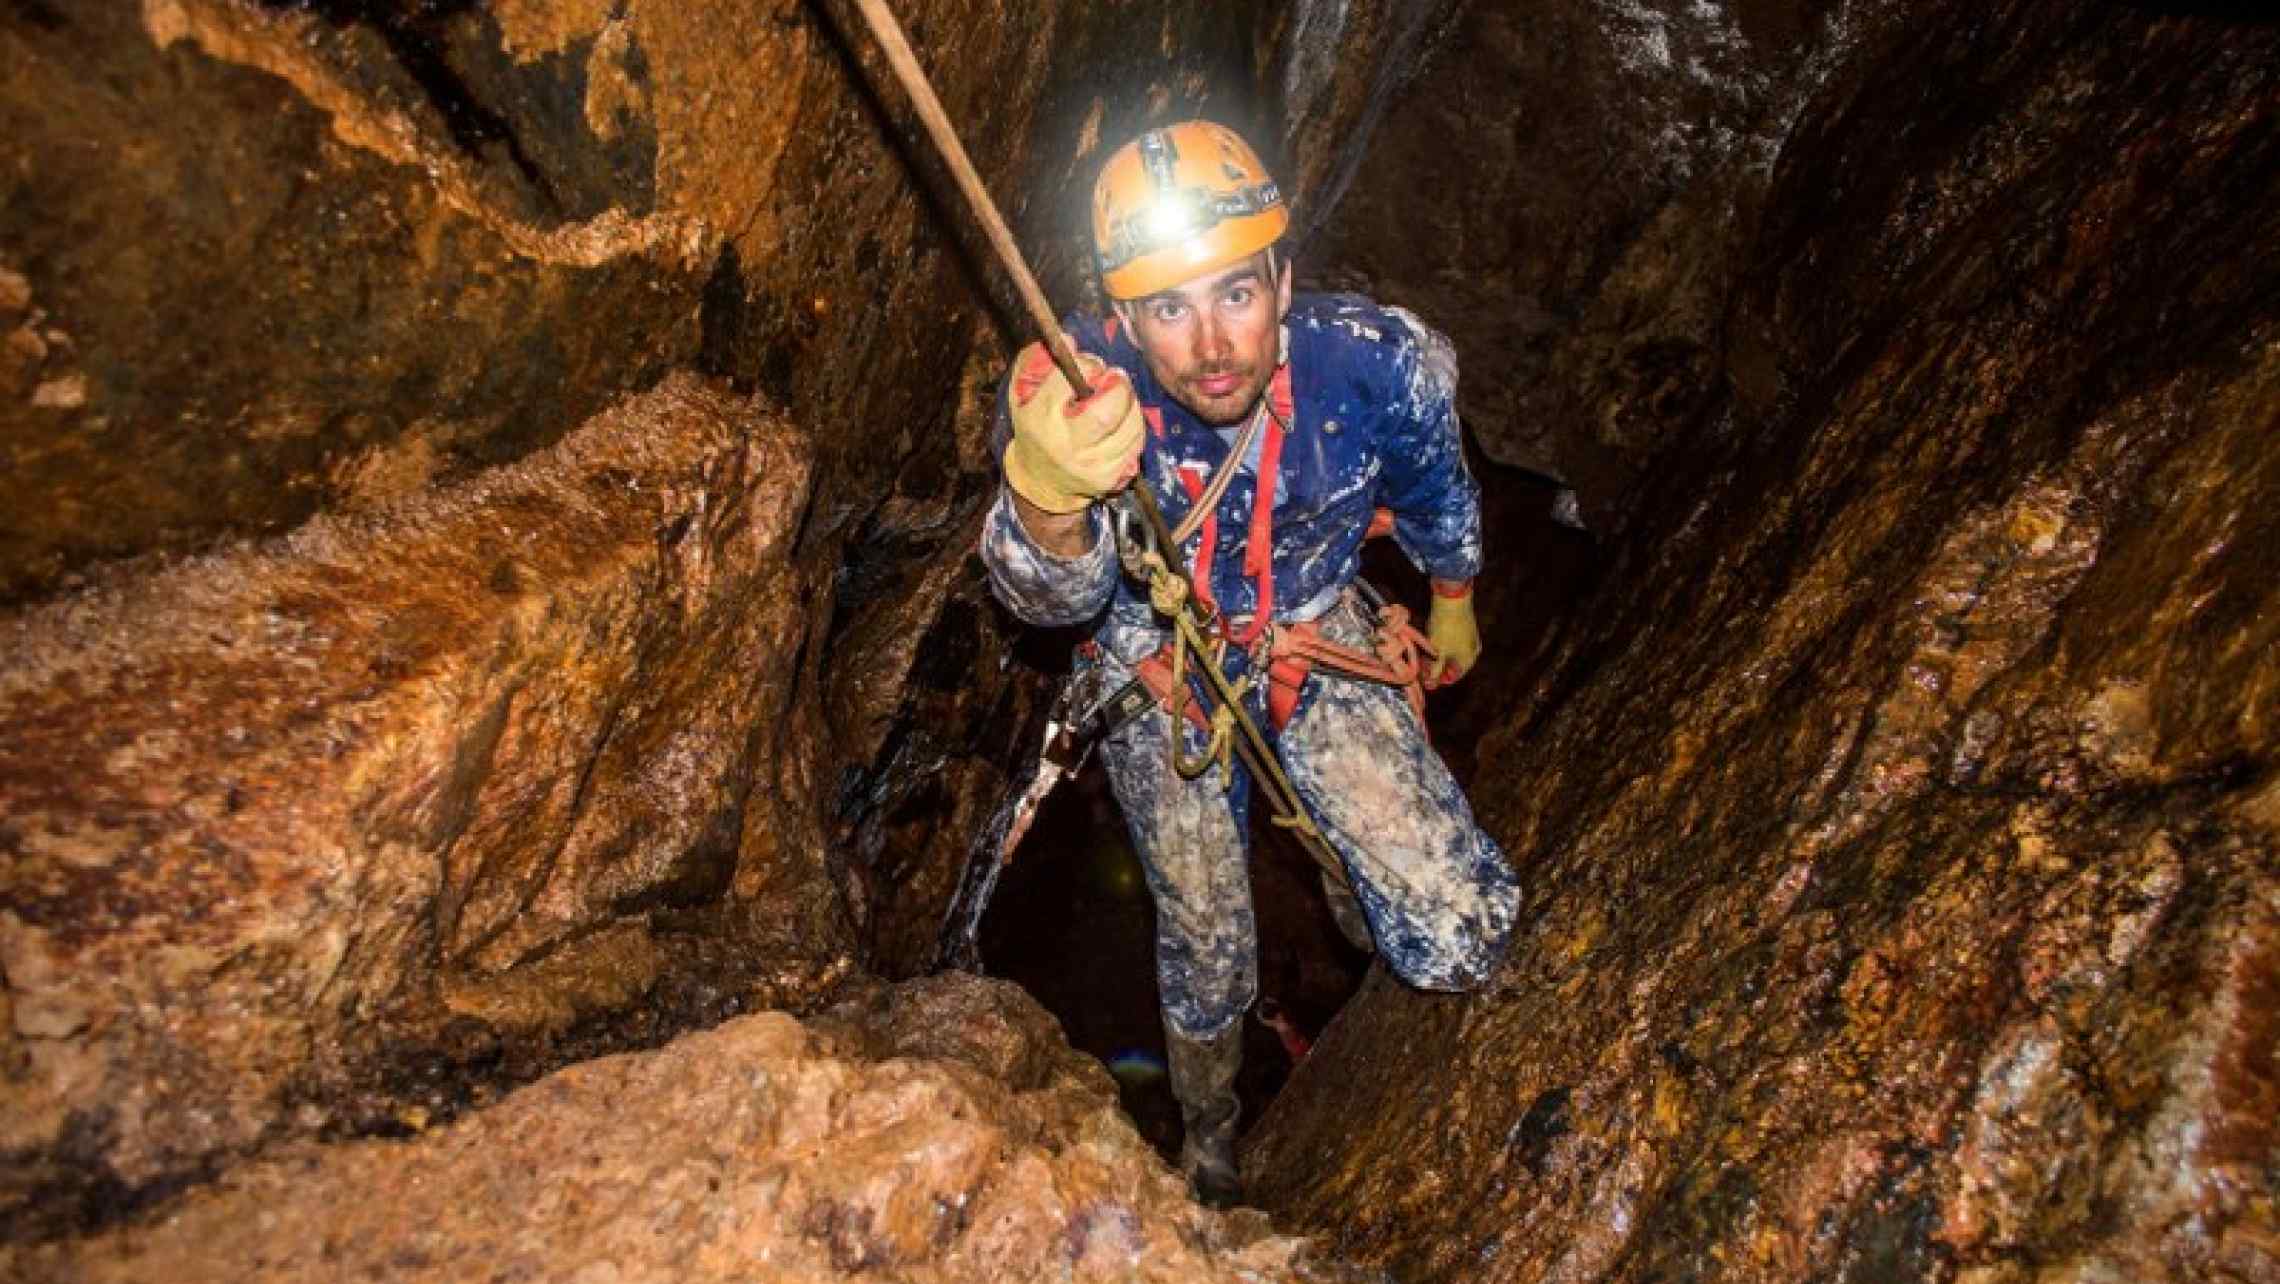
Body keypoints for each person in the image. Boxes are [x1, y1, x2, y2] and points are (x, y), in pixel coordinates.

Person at [978, 120, 1519, 1206]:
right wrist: (1043, 496)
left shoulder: (1369, 363)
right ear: (1126, 317)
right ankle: (1213, 1129)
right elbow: (1057, 606)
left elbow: (1432, 479)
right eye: (1169, 309)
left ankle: (1357, 928)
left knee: (1459, 932)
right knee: (1211, 937)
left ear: (1284, 276)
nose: (1211, 343)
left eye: (1236, 293)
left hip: (1314, 633)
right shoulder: (1079, 403)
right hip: (1159, 665)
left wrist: (1452, 592)